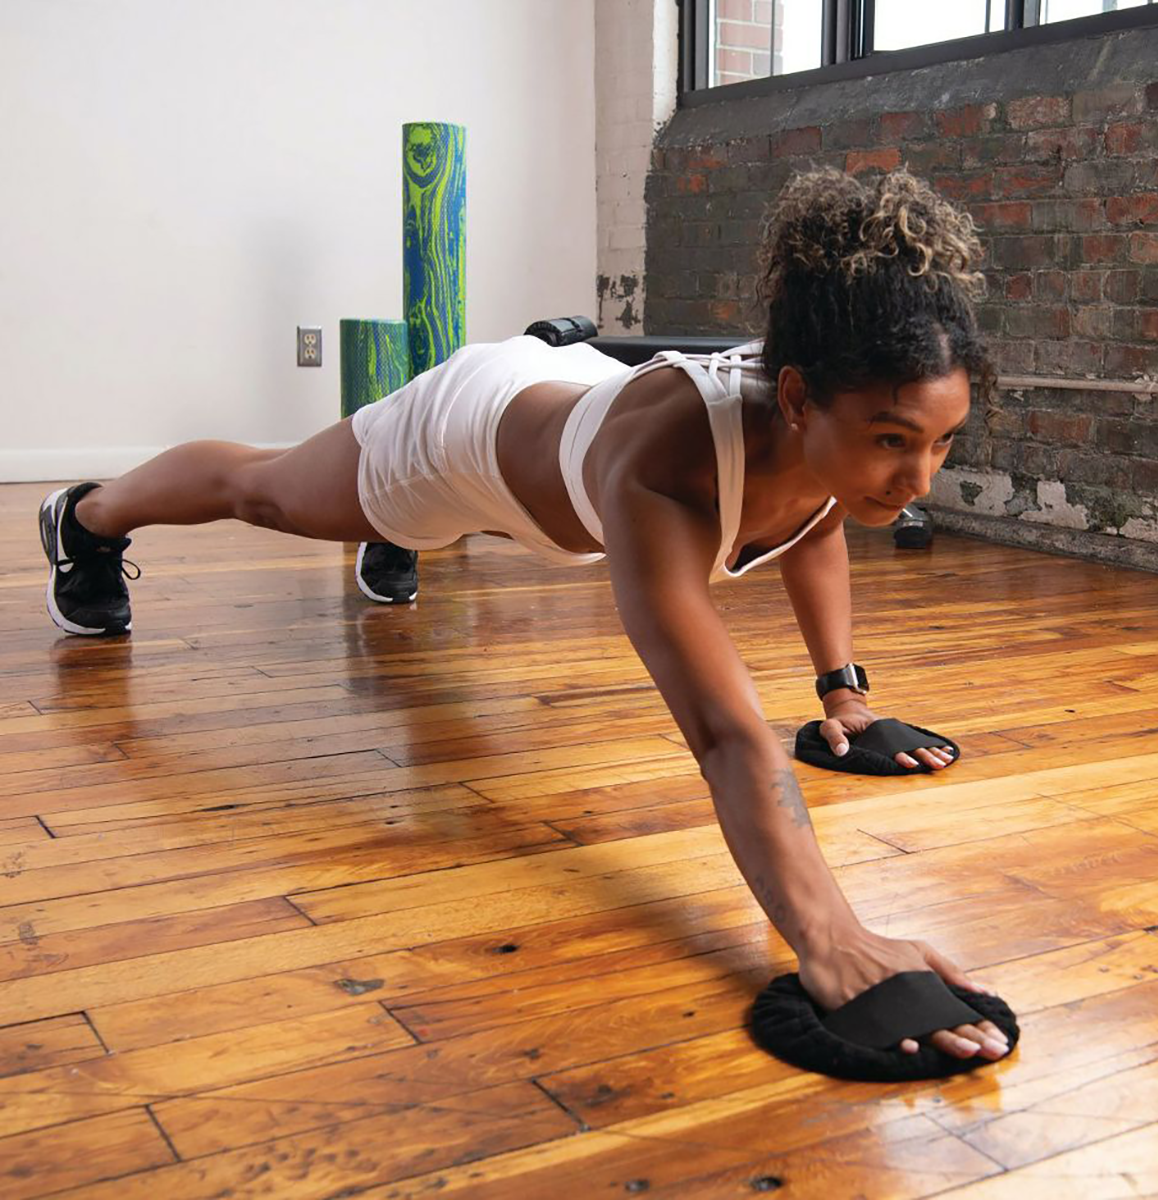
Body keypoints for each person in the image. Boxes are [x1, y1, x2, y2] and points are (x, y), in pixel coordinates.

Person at [37, 168, 1009, 1065]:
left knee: (524, 512)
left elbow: (816, 519)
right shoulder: (666, 469)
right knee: (268, 492)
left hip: (570, 406)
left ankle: (404, 535)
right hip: (458, 440)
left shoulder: (832, 393)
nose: (919, 479)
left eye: (942, 441)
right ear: (796, 401)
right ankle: (87, 516)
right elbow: (725, 734)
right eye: (894, 441)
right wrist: (830, 935)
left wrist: (843, 693)